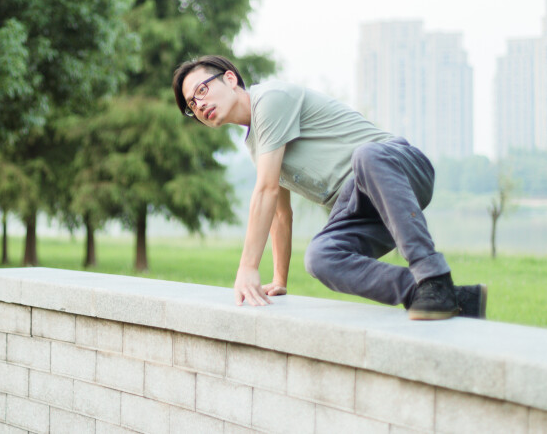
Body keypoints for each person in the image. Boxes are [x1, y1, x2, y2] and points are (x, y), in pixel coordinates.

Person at [172, 54, 486, 320]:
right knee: (321, 257)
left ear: (229, 78)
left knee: (365, 154)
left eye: (202, 89)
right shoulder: (259, 146)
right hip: (364, 210)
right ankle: (437, 295)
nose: (199, 104)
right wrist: (279, 279)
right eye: (191, 105)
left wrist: (247, 267)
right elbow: (281, 214)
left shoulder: (270, 99)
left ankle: (433, 275)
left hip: (396, 170)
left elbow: (265, 191)